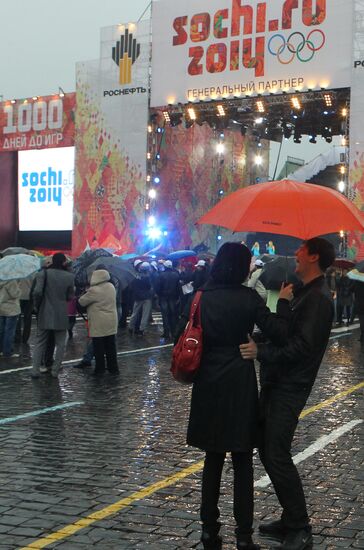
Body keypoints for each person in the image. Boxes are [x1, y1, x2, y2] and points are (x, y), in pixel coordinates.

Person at [175, 242, 293, 550]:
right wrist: (280, 303)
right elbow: (279, 332)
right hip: (239, 377)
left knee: (212, 458)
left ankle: (208, 530)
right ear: (241, 267)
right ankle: (243, 535)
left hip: (208, 379)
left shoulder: (201, 296)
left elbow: (183, 327)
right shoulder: (248, 297)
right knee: (242, 460)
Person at [240, 237, 335, 550]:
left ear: (314, 256)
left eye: (302, 250)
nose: (295, 253)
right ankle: (290, 517)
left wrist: (261, 352)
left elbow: (301, 347)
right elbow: (286, 332)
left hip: (290, 387)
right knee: (267, 451)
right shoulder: (303, 293)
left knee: (277, 453)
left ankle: (300, 527)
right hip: (277, 382)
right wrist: (280, 304)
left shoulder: (318, 298)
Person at [31, 253, 75, 378]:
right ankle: (55, 370)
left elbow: (37, 292)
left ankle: (35, 370)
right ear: (63, 262)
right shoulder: (69, 276)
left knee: (40, 342)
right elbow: (70, 296)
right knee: (61, 343)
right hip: (61, 312)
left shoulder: (43, 274)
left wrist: (36, 305)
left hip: (44, 311)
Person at [78, 268, 119, 375]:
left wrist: (85, 292)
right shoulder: (111, 286)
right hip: (111, 320)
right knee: (111, 346)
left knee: (98, 347)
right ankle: (113, 368)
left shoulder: (94, 290)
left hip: (99, 322)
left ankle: (100, 369)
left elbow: (82, 302)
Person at [156, 259, 181, 339]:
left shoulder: (161, 275)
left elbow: (158, 287)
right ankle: (173, 332)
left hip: (163, 297)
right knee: (173, 315)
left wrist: (159, 296)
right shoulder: (176, 275)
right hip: (173, 297)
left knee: (165, 315)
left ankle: (166, 333)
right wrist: (178, 297)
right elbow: (178, 288)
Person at [128, 262, 153, 337]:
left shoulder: (136, 276)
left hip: (137, 297)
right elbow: (149, 287)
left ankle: (130, 327)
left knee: (135, 313)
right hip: (146, 297)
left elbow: (132, 287)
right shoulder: (147, 277)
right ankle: (141, 329)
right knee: (145, 314)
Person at [0, 278, 21, 358]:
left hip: (1, 307)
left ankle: (1, 349)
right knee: (9, 331)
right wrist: (18, 288)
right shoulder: (11, 281)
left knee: (1, 330)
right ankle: (7, 352)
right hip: (11, 309)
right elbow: (15, 294)